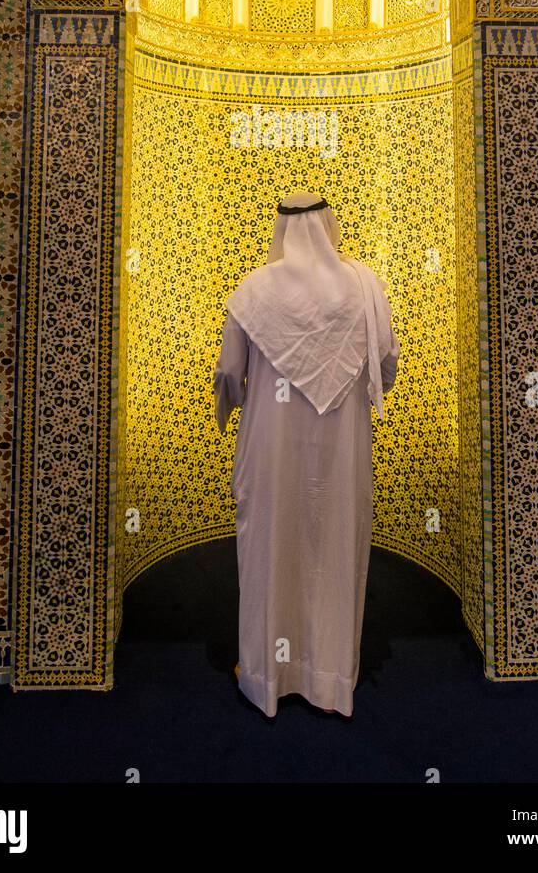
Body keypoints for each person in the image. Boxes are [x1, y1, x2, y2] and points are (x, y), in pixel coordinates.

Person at [213, 190, 400, 718]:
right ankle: (330, 677)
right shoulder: (363, 284)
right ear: (329, 226)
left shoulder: (255, 290)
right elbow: (386, 362)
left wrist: (237, 403)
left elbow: (229, 371)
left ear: (282, 230)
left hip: (273, 447)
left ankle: (266, 675)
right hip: (341, 447)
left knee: (274, 543)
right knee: (334, 544)